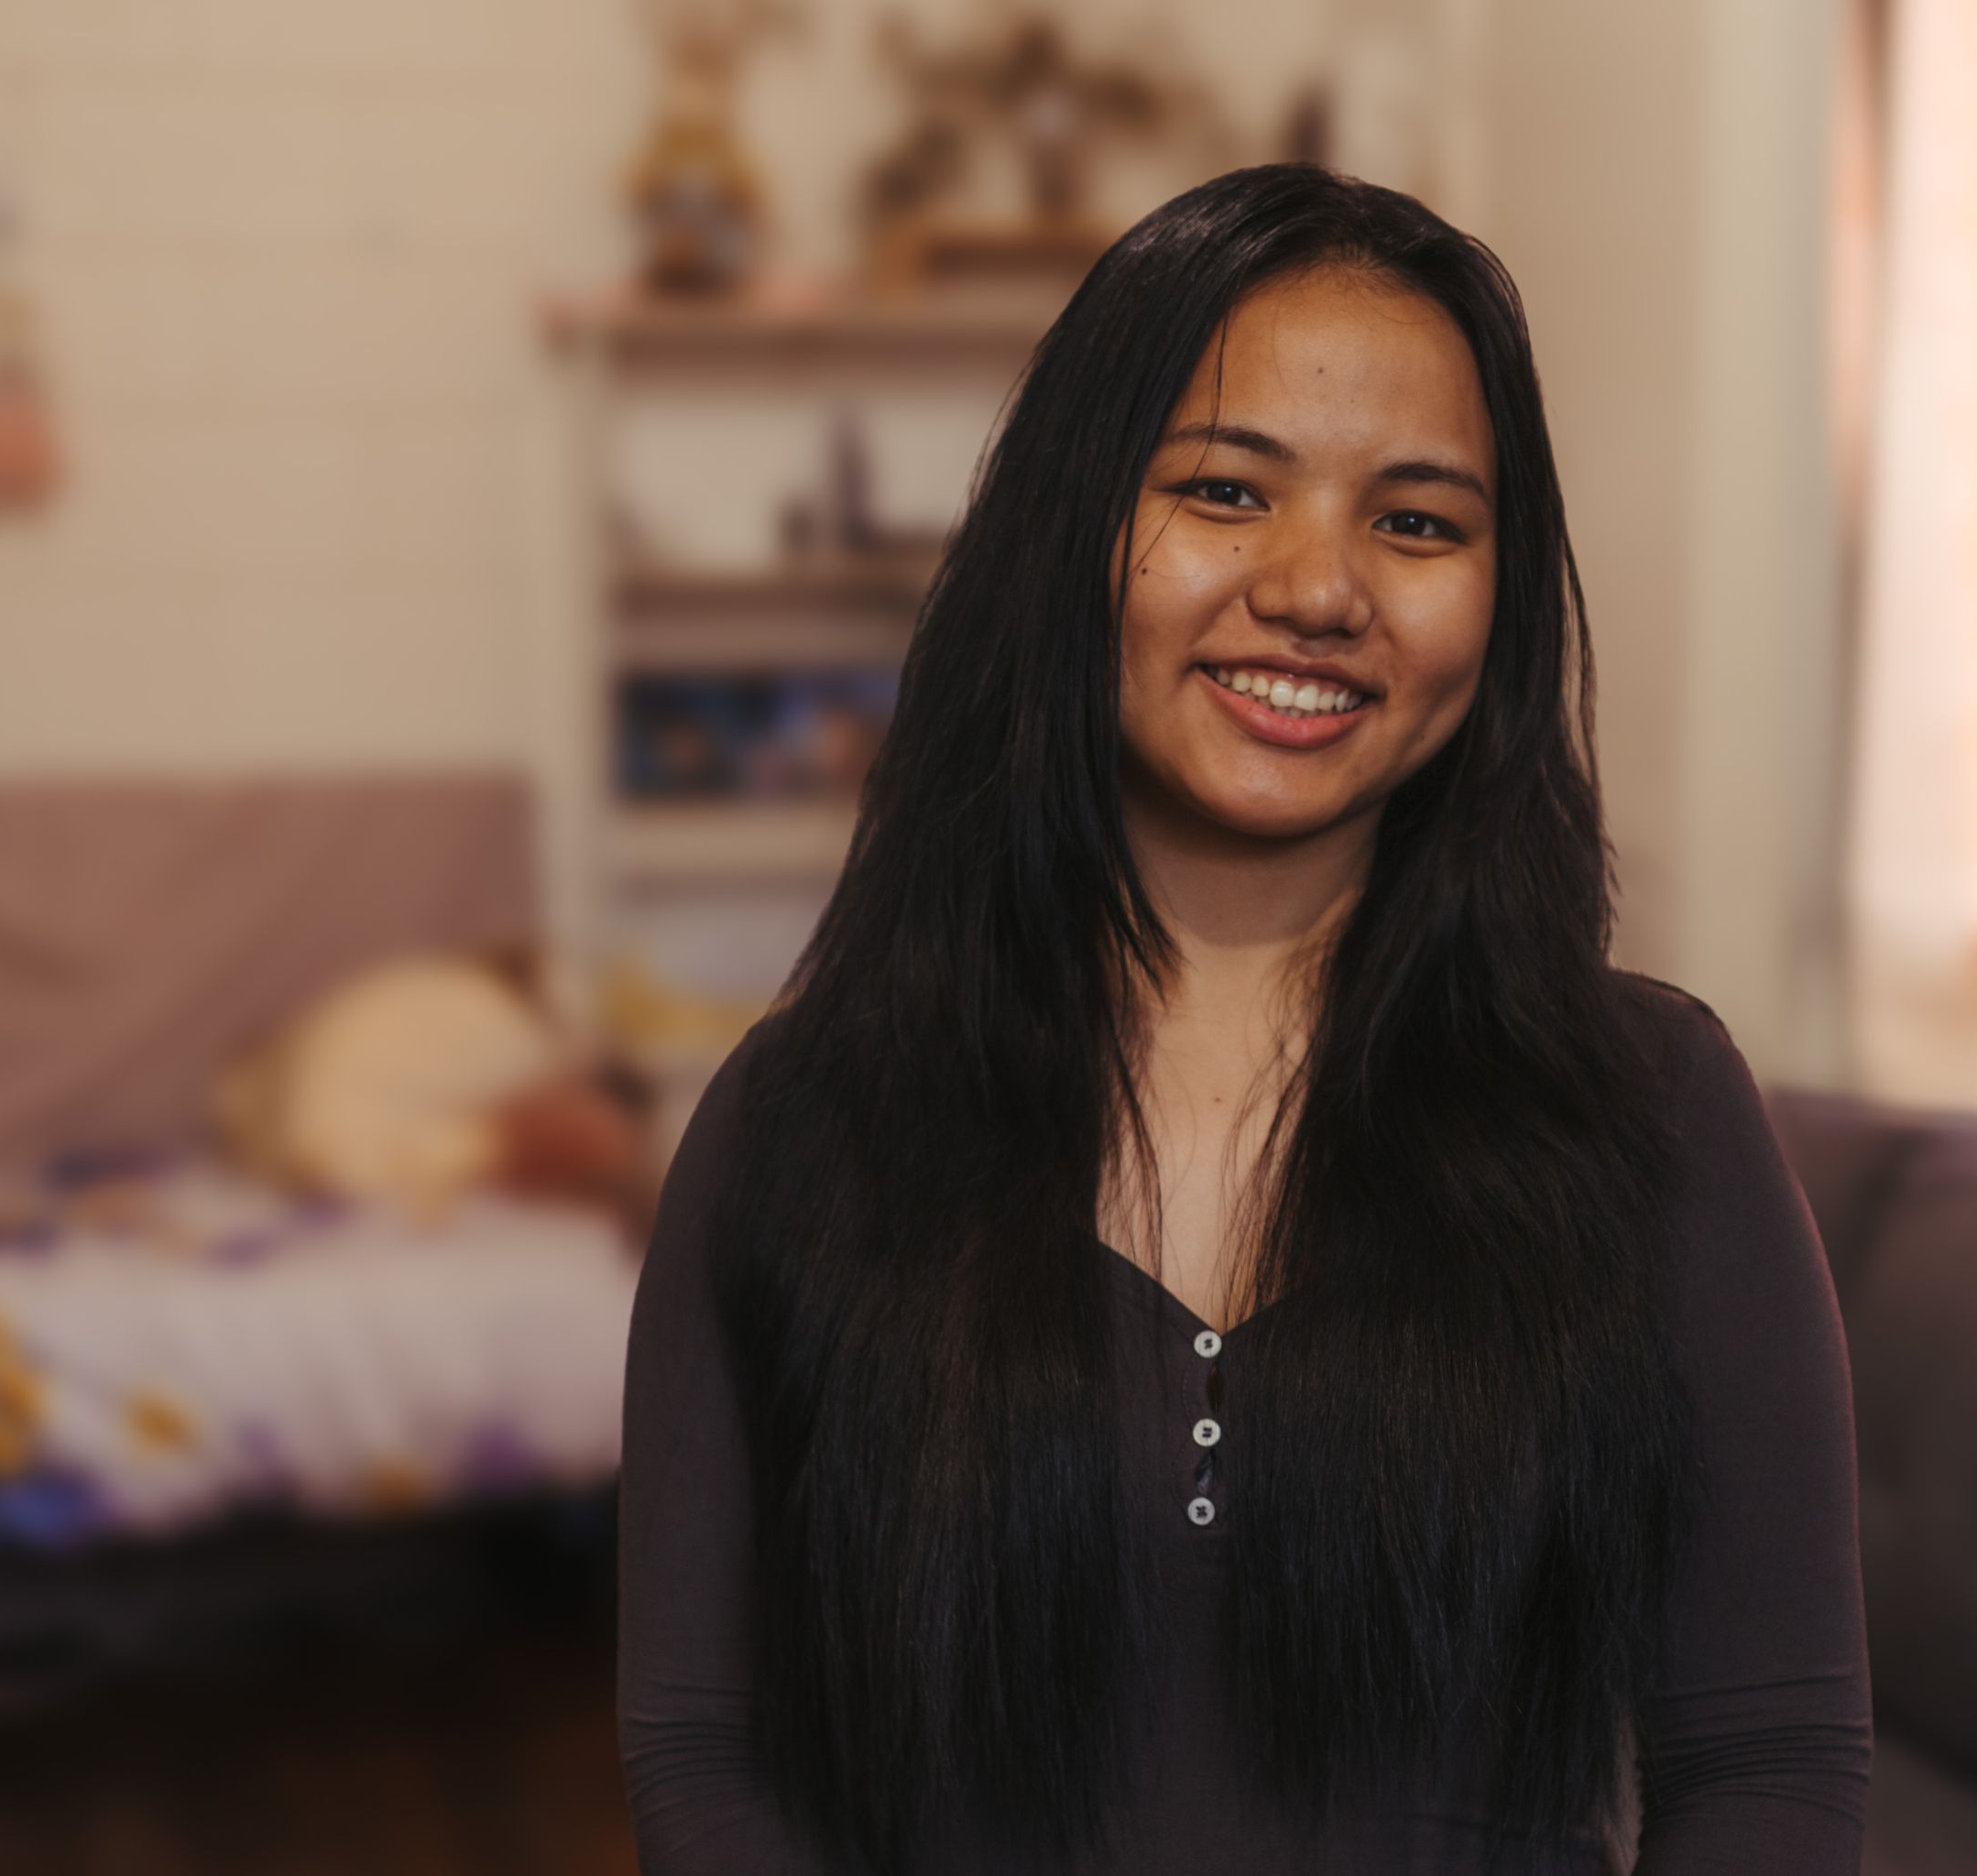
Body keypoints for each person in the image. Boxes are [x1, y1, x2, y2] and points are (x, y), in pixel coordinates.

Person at [617, 163, 1870, 1874]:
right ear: (1078, 532)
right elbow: (704, 1749)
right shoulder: (804, 1117)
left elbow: (1773, 1763)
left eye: (1418, 522)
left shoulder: (1656, 1112)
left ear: (1496, 608)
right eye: (1226, 491)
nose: (1319, 587)